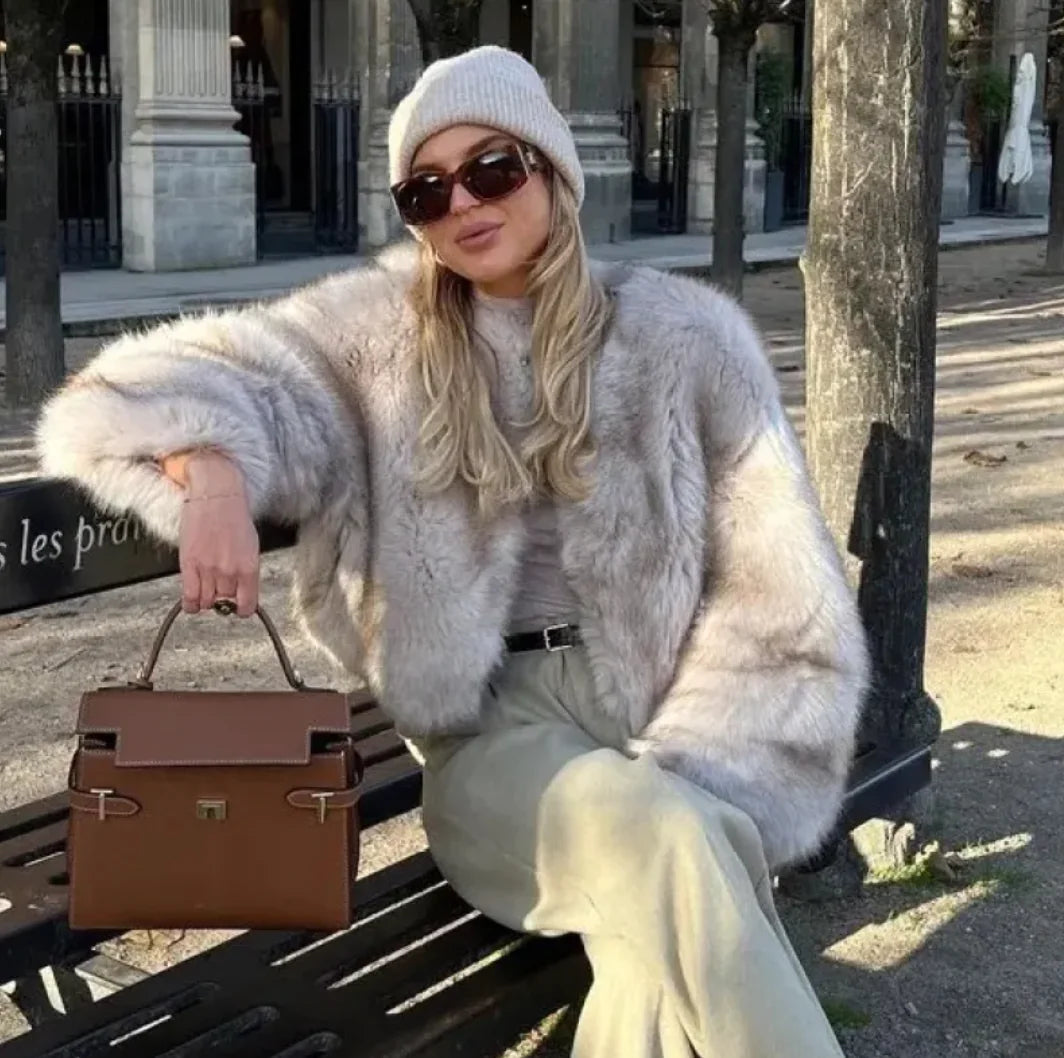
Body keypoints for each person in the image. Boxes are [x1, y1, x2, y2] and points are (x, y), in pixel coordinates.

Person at [38, 46, 867, 1058]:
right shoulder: (370, 337)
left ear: (551, 168)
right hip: (490, 743)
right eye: (426, 192)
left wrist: (709, 759)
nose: (462, 203)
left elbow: (777, 592)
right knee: (669, 836)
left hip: (672, 717)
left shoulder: (686, 337)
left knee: (659, 904)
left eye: (491, 168)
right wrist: (207, 465)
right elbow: (139, 390)